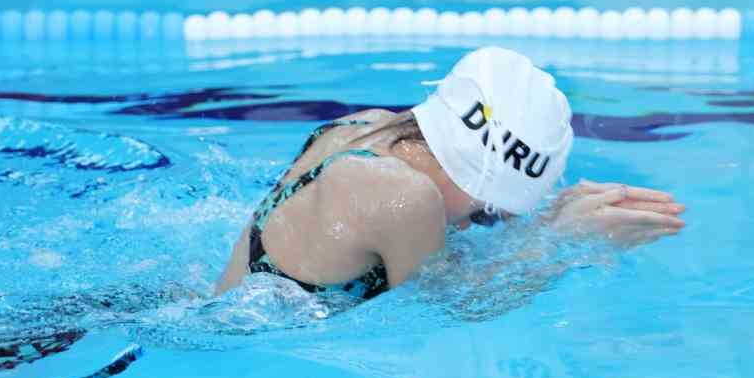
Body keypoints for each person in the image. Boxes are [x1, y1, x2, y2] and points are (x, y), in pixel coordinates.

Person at [215, 46, 685, 301]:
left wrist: (552, 219)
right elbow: (447, 309)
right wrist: (563, 248)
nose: (469, 224)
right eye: (487, 214)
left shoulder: (366, 128)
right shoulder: (406, 197)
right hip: (234, 343)